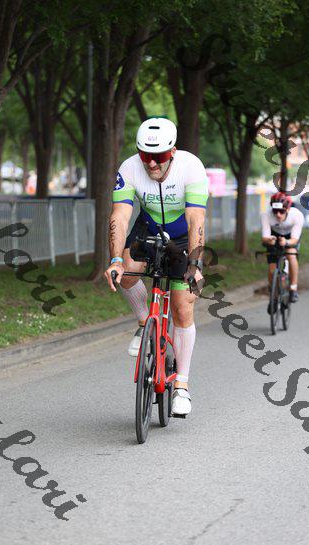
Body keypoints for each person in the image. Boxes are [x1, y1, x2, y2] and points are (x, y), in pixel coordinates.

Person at [104, 117, 208, 416]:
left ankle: (182, 386)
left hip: (182, 237)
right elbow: (120, 216)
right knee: (126, 273)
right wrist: (114, 260)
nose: (150, 163)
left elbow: (195, 220)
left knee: (182, 308)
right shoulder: (129, 168)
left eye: (159, 156)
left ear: (172, 152)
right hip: (148, 228)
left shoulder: (191, 167)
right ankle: (143, 323)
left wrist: (194, 264)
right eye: (144, 155)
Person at [261, 192, 304, 312]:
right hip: (274, 236)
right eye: (275, 211)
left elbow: (294, 239)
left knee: (291, 255)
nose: (278, 214)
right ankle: (274, 298)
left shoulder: (297, 215)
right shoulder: (266, 215)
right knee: (272, 269)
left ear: (288, 209)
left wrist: (286, 242)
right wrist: (269, 240)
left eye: (281, 211)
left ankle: (293, 288)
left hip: (290, 237)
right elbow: (265, 237)